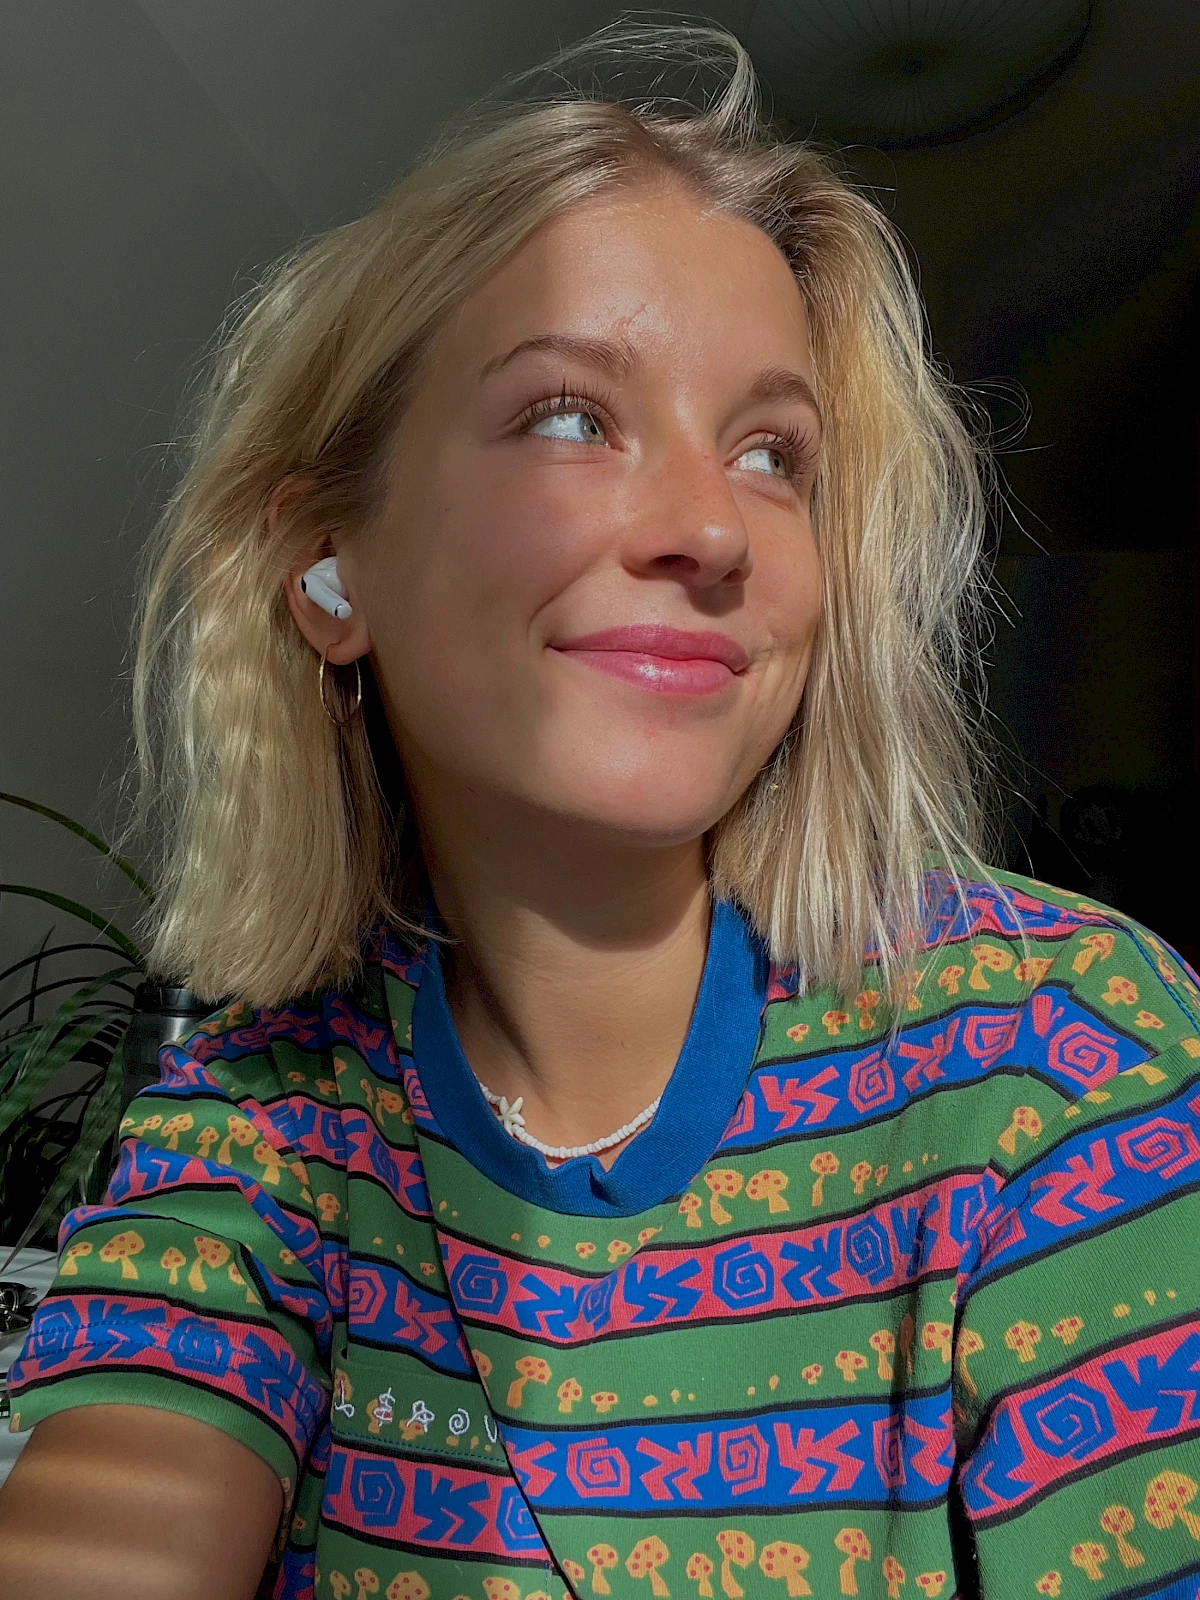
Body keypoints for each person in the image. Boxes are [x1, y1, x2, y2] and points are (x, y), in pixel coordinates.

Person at [3, 21, 1199, 1600]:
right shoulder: (264, 1112)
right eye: (569, 414)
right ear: (329, 565)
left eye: (774, 455)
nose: (714, 529)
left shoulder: (1061, 1053)